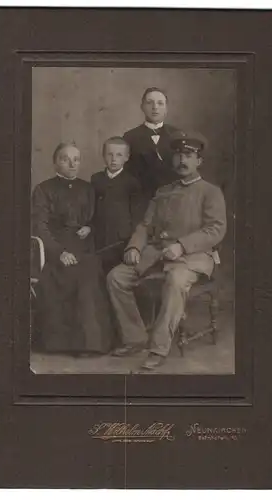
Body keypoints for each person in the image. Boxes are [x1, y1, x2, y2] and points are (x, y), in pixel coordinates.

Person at [107, 133, 227, 370]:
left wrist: (182, 245)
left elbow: (216, 229)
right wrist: (134, 247)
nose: (183, 160)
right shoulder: (163, 191)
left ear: (199, 161)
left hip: (193, 257)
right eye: (179, 155)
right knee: (116, 277)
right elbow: (145, 225)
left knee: (174, 281)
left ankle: (158, 348)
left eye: (189, 156)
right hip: (157, 253)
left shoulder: (210, 192)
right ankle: (135, 339)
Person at [32, 142, 113, 355]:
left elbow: (96, 218)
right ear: (55, 162)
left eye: (76, 159)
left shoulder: (87, 188)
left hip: (84, 246)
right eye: (65, 159)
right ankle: (62, 344)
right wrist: (59, 252)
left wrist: (89, 227)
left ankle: (91, 344)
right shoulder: (43, 189)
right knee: (65, 276)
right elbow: (39, 227)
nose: (71, 164)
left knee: (90, 273)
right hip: (54, 248)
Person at [91, 137, 142, 274]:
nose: (114, 159)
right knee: (96, 272)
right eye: (110, 154)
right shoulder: (96, 179)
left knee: (115, 273)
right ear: (103, 156)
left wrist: (130, 239)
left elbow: (136, 216)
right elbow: (91, 208)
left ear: (126, 157)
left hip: (121, 240)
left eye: (119, 155)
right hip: (99, 237)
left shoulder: (132, 183)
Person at [123, 87, 180, 209]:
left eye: (160, 103)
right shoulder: (130, 137)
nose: (155, 107)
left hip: (173, 202)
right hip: (141, 202)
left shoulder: (177, 135)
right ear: (142, 107)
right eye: (150, 103)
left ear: (166, 109)